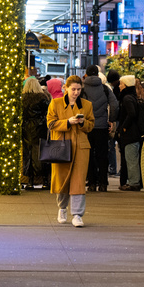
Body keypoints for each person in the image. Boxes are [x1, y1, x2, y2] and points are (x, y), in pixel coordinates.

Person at [46, 75, 95, 227]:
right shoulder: (56, 103)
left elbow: (91, 125)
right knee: (62, 179)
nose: (76, 92)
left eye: (79, 89)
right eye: (73, 89)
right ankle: (62, 208)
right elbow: (50, 123)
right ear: (65, 88)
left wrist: (82, 123)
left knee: (78, 181)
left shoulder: (87, 105)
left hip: (80, 146)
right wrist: (67, 122)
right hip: (61, 145)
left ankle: (77, 214)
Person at [82, 65, 118, 193]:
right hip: (102, 126)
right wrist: (111, 120)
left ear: (86, 75)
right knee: (102, 156)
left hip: (86, 127)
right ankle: (103, 183)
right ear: (98, 75)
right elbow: (114, 105)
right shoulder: (105, 88)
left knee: (89, 155)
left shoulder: (81, 89)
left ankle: (91, 183)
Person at [116, 75, 144, 191]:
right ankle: (133, 181)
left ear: (126, 85)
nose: (119, 86)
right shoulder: (132, 97)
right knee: (132, 158)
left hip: (130, 135)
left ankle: (134, 183)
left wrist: (123, 127)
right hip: (133, 134)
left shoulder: (127, 98)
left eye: (121, 84)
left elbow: (131, 114)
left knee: (131, 159)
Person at [21, 77, 50, 189]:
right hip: (40, 128)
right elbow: (48, 111)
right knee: (42, 154)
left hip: (26, 128)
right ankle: (45, 181)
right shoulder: (42, 97)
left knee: (28, 154)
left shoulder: (22, 98)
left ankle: (30, 181)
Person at [105, 68, 121, 177]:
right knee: (116, 146)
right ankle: (113, 168)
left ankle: (112, 168)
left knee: (111, 144)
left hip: (116, 121)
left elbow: (114, 106)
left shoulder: (115, 90)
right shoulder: (118, 88)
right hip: (118, 120)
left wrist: (111, 119)